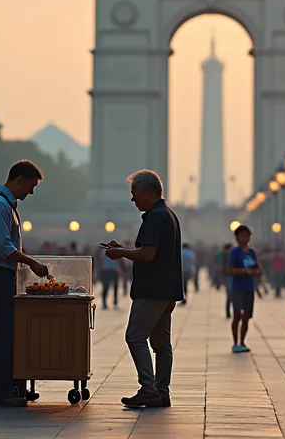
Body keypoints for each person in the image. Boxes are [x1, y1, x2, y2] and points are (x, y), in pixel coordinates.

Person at [104, 169, 183, 409]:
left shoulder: (155, 217)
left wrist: (121, 252)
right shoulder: (168, 214)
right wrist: (125, 249)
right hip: (167, 289)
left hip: (152, 289)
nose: (132, 198)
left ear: (148, 192)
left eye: (134, 192)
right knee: (161, 343)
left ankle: (148, 388)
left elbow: (148, 254)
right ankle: (161, 391)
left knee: (135, 336)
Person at [0, 160, 49, 407]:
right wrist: (31, 263)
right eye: (31, 186)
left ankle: (3, 388)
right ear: (19, 179)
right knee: (3, 334)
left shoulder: (4, 204)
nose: (31, 192)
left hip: (0, 275)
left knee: (4, 333)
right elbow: (2, 247)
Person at [227, 224, 260, 353]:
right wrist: (244, 271)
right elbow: (230, 270)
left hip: (249, 287)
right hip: (238, 287)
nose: (246, 238)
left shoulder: (251, 252)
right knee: (237, 315)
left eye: (248, 235)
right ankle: (235, 342)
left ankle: (242, 341)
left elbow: (257, 268)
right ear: (237, 238)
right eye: (243, 235)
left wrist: (255, 273)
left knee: (247, 316)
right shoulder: (234, 252)